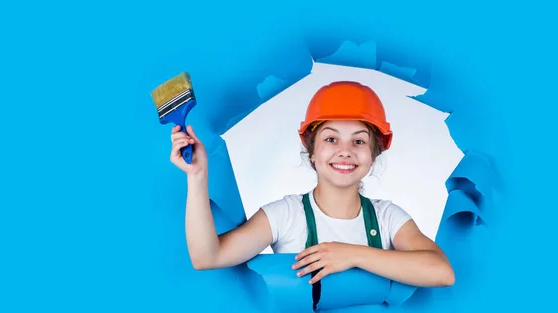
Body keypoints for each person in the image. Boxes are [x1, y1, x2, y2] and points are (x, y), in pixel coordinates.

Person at [169, 80, 455, 288]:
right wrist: (196, 176)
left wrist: (351, 254)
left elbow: (441, 272)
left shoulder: (388, 218)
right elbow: (207, 257)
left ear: (373, 154)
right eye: (331, 139)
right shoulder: (285, 215)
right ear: (312, 150)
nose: (345, 151)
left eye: (359, 141)